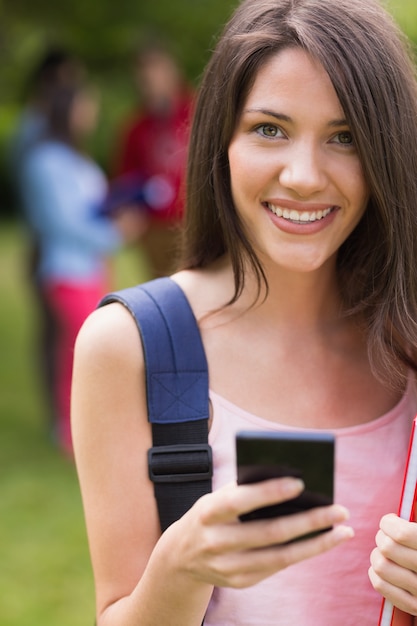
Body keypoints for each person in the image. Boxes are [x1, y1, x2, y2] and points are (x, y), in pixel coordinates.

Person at [71, 0, 417, 624]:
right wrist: (182, 567)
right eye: (270, 129)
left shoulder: (409, 346)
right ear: (221, 142)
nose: (304, 175)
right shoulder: (131, 347)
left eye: (345, 137)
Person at [19, 79, 145, 455]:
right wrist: (116, 233)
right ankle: (75, 433)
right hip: (66, 269)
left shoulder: (77, 157)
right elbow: (64, 222)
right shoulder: (45, 160)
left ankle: (75, 429)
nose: (92, 112)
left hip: (90, 268)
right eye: (86, 104)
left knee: (73, 351)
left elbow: (92, 206)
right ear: (67, 109)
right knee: (82, 350)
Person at [9, 47, 85, 431]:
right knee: (51, 328)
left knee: (59, 330)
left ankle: (61, 412)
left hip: (56, 240)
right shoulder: (34, 130)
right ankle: (57, 414)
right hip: (46, 240)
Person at [110, 41, 194, 277]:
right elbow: (125, 179)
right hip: (154, 229)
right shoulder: (134, 128)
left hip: (195, 222)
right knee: (163, 293)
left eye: (158, 72)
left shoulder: (199, 112)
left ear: (172, 72)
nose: (152, 82)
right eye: (146, 77)